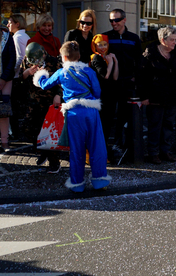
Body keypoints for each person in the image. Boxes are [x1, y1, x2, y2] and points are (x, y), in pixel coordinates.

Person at [31, 41, 109, 192]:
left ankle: (77, 184)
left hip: (73, 114)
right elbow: (98, 92)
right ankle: (100, 181)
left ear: (64, 57)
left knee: (77, 149)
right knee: (97, 147)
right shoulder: (89, 71)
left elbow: (45, 84)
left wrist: (39, 74)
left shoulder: (62, 72)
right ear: (79, 56)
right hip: (91, 111)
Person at [138, 26, 176, 165]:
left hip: (172, 96)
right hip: (155, 97)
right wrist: (144, 96)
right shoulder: (150, 53)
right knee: (155, 126)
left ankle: (165, 151)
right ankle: (153, 153)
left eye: (175, 39)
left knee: (168, 126)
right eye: (171, 40)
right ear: (162, 40)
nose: (174, 42)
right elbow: (142, 76)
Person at [103, 9, 142, 156]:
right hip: (110, 84)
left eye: (117, 20)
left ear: (124, 20)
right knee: (107, 115)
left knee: (123, 116)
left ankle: (120, 145)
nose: (114, 23)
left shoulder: (133, 38)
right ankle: (104, 146)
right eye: (111, 20)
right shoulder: (105, 37)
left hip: (127, 83)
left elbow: (139, 61)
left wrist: (135, 78)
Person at [20, 42, 62, 172]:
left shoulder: (53, 62)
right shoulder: (27, 61)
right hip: (33, 102)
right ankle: (41, 149)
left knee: (49, 133)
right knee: (28, 128)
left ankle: (54, 162)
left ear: (43, 53)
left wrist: (58, 95)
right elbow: (20, 82)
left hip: (49, 102)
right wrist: (26, 73)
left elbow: (61, 80)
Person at [89, 34, 119, 159]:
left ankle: (103, 150)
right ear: (95, 45)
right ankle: (99, 152)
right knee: (102, 124)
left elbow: (115, 77)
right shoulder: (96, 58)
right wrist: (111, 62)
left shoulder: (106, 57)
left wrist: (115, 62)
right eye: (99, 45)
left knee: (108, 124)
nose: (102, 47)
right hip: (101, 96)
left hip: (110, 95)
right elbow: (105, 76)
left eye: (104, 44)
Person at [6, 15, 28, 140]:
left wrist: (11, 73)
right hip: (21, 75)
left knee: (13, 105)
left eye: (10, 23)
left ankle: (15, 133)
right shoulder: (23, 36)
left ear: (17, 24)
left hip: (17, 76)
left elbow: (19, 57)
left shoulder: (18, 37)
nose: (8, 25)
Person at [0, 26, 16, 152]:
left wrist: (3, 79)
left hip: (6, 79)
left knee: (4, 111)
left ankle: (5, 141)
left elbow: (12, 59)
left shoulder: (7, 36)